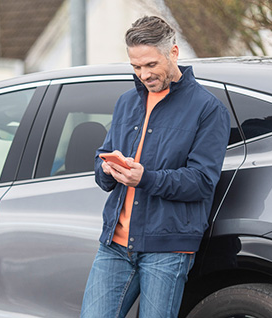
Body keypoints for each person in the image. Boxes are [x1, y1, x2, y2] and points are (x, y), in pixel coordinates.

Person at [80, 16, 232, 318]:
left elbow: (202, 182)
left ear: (173, 53)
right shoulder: (126, 102)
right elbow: (103, 156)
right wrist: (107, 169)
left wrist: (145, 178)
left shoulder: (208, 109)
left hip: (167, 248)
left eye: (151, 65)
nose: (143, 74)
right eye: (136, 67)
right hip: (115, 244)